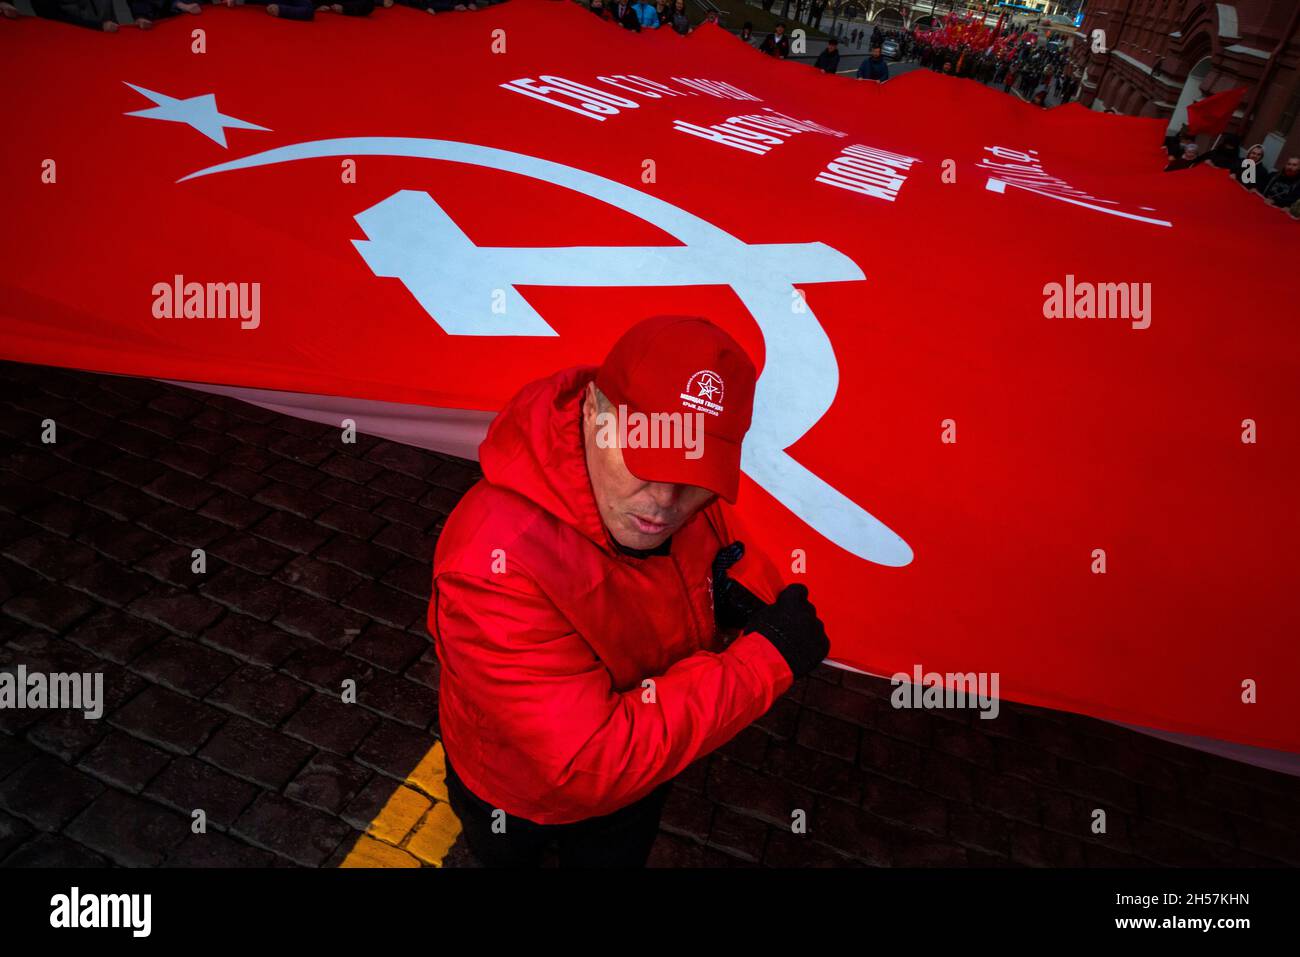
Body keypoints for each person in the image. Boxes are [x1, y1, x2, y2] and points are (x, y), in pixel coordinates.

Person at [431, 316, 829, 867]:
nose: (665, 501)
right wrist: (764, 661)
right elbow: (590, 761)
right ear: (594, 412)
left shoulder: (671, 503)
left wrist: (734, 590)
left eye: (695, 471)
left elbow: (713, 549)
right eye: (647, 459)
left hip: (642, 780)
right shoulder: (490, 563)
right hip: (524, 801)